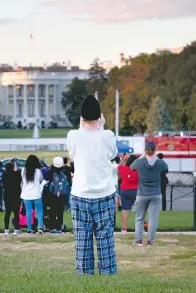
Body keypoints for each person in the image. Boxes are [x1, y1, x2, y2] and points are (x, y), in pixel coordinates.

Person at [67, 95, 118, 275]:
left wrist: (86, 124)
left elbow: (73, 154)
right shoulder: (107, 135)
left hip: (80, 193)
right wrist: (101, 125)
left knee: (82, 240)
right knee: (105, 239)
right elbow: (112, 154)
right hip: (104, 193)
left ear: (81, 117)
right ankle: (107, 271)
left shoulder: (73, 135)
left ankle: (85, 272)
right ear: (99, 116)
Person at [131, 142, 168, 247]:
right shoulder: (160, 163)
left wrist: (143, 155)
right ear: (155, 150)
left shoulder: (140, 162)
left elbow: (132, 167)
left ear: (145, 150)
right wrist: (155, 156)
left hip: (142, 194)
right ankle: (149, 241)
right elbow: (166, 168)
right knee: (153, 219)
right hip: (156, 194)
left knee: (139, 218)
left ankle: (138, 241)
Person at [20, 155, 45, 234]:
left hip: (26, 194)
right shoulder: (38, 171)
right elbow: (41, 179)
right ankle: (40, 227)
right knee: (40, 210)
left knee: (28, 212)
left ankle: (29, 228)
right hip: (36, 193)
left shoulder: (23, 170)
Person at [46, 156, 70, 233]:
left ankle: (52, 227)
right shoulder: (66, 171)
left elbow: (47, 181)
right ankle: (59, 227)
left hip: (52, 194)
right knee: (60, 211)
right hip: (62, 195)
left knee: (52, 210)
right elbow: (69, 183)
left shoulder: (50, 171)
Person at [117, 154, 138, 233]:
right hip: (136, 191)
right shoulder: (138, 171)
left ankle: (124, 228)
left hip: (125, 191)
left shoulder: (124, 169)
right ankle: (140, 227)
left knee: (125, 210)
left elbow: (118, 167)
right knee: (139, 210)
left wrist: (124, 160)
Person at [2, 162, 22, 235]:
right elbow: (20, 180)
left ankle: (6, 229)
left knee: (7, 213)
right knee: (16, 214)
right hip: (16, 195)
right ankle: (16, 229)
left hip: (7, 196)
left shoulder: (4, 174)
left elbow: (3, 184)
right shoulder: (17, 174)